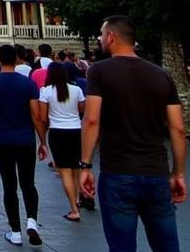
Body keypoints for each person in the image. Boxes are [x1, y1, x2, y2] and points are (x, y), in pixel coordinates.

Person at [79, 15, 186, 251]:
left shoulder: (99, 71)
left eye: (101, 33)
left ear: (111, 36)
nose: (99, 38)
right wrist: (178, 173)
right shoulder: (162, 75)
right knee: (167, 246)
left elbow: (92, 119)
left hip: (118, 173)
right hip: (157, 172)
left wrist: (85, 166)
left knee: (121, 246)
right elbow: (178, 128)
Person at [0, 43, 46, 247]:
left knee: (9, 186)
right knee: (28, 183)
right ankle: (32, 221)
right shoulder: (27, 84)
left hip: (4, 140)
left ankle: (15, 231)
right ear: (17, 59)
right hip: (26, 140)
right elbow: (36, 116)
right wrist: (43, 141)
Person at [37, 61, 85, 222]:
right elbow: (82, 110)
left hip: (57, 132)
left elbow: (43, 118)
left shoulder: (46, 91)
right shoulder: (76, 90)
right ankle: (78, 199)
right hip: (76, 131)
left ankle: (73, 208)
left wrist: (43, 139)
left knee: (64, 171)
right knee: (76, 168)